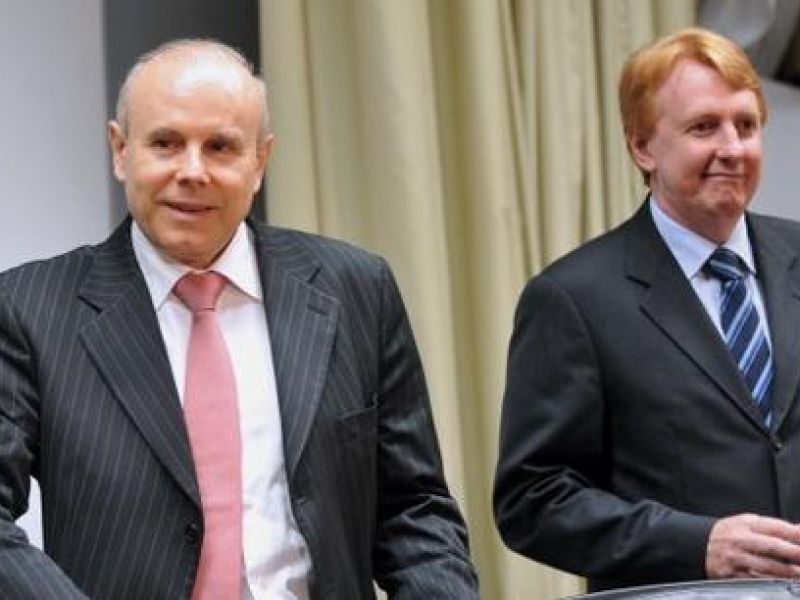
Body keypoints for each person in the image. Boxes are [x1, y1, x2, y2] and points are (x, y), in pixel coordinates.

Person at [0, 39, 478, 599]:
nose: (192, 171)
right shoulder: (29, 307)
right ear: (120, 150)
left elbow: (414, 509)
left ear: (260, 161)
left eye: (221, 147)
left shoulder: (356, 289)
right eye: (166, 143)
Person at [494, 27, 800, 592]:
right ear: (642, 147)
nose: (732, 148)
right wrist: (697, 544)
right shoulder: (573, 299)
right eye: (704, 127)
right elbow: (533, 500)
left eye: (746, 125)